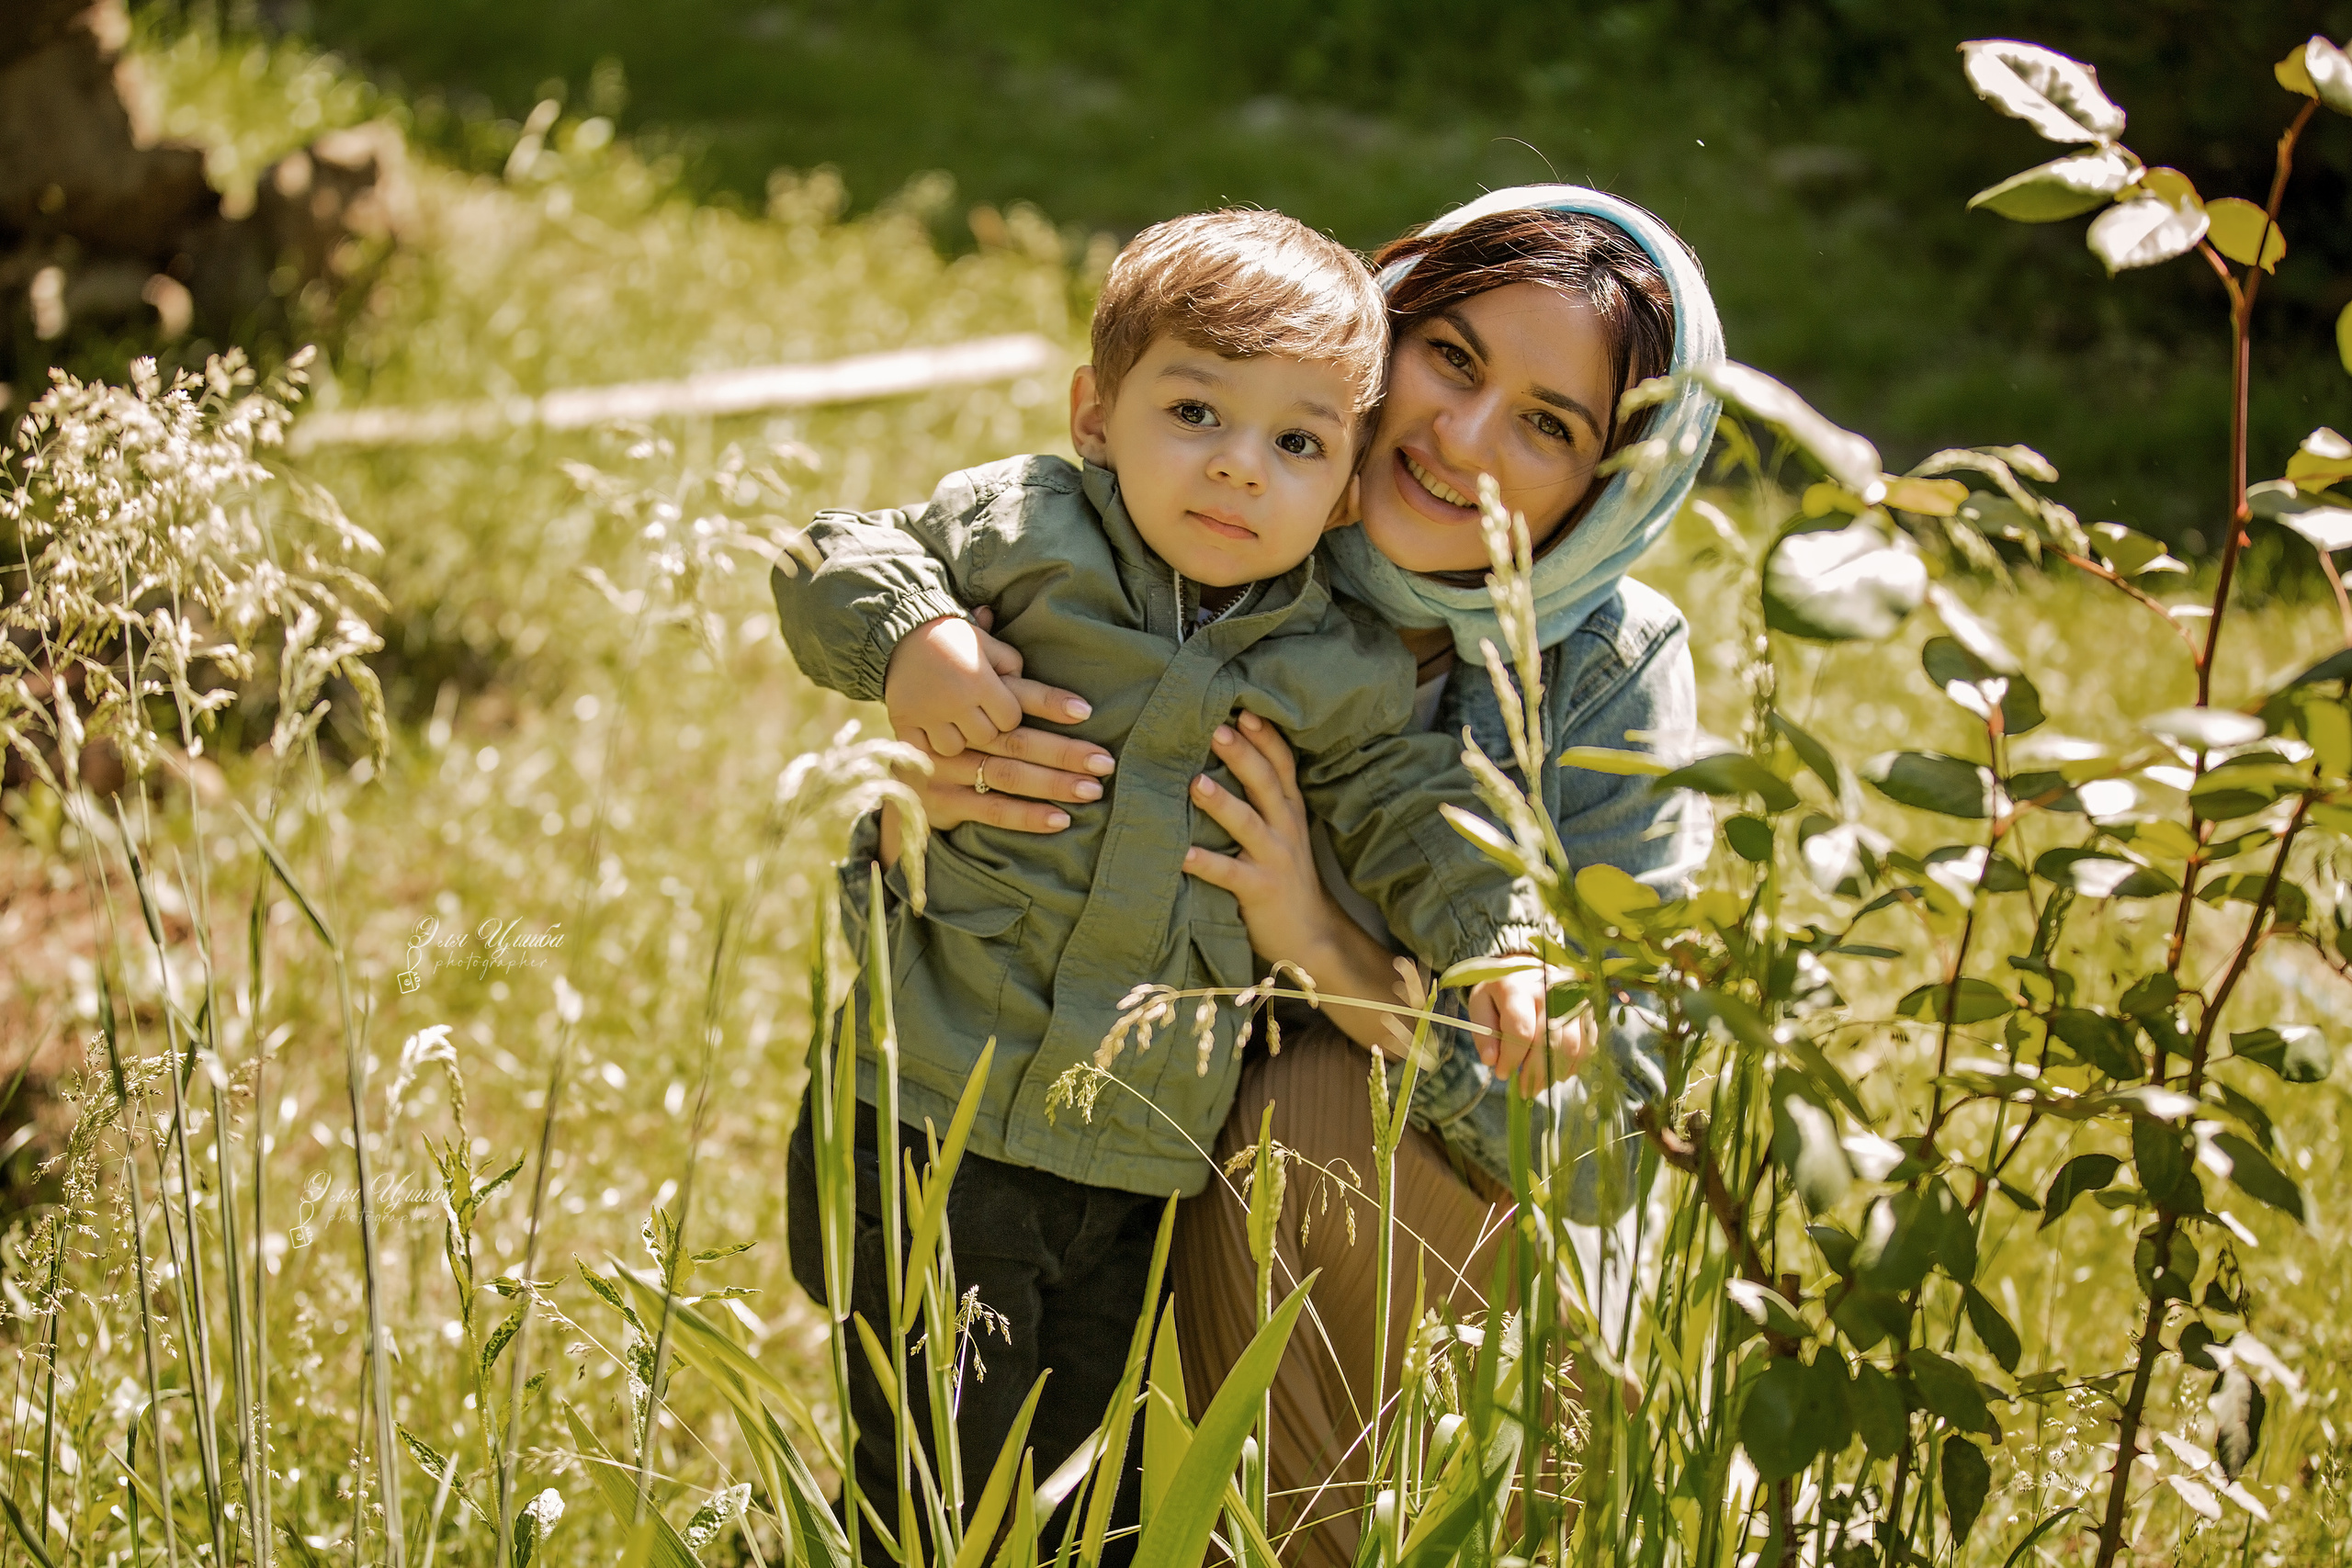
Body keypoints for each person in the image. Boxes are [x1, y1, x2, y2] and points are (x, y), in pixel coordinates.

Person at [882, 186, 1723, 1566]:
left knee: (1314, 1117)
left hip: (1439, 1288)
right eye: (1450, 358)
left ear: (1606, 489)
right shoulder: (1209, 517)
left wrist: (1327, 951)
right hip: (1099, 1174)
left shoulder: (1605, 666)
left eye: (1549, 424)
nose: (1459, 439)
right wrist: (941, 777)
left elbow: (1587, 1137)